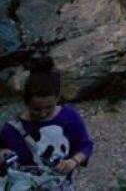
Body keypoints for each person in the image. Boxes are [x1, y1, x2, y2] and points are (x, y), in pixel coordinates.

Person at [0, 58, 92, 188]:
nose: (43, 114)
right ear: (26, 102)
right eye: (36, 109)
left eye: (49, 108)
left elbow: (86, 145)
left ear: (57, 98)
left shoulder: (69, 117)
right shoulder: (11, 130)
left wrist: (73, 161)